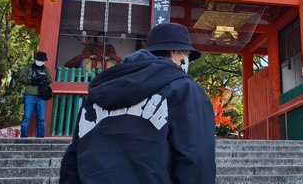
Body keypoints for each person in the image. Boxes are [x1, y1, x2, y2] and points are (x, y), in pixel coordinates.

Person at [59, 22, 216, 184]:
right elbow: (197, 157)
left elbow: (73, 157)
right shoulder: (184, 89)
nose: (187, 60)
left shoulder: (97, 93)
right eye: (187, 55)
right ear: (176, 51)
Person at [18, 50, 52, 138]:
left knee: (41, 118)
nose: (41, 62)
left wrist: (42, 79)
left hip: (41, 95)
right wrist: (31, 79)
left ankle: (40, 137)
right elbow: (21, 78)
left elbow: (50, 80)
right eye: (39, 60)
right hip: (29, 94)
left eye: (42, 60)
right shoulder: (28, 68)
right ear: (36, 59)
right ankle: (23, 136)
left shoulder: (46, 69)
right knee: (27, 116)